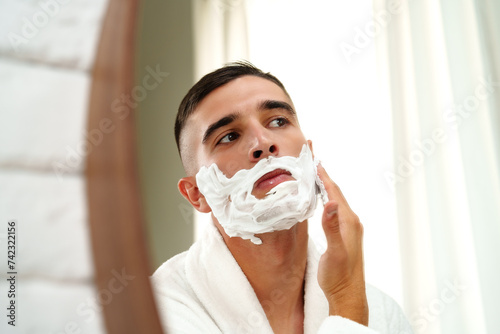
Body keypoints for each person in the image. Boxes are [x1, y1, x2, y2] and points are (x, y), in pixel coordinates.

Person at [151, 62, 413, 334]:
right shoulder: (156, 313)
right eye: (229, 136)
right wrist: (347, 304)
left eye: (278, 121)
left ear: (310, 155)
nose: (263, 143)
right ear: (196, 194)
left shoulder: (384, 315)